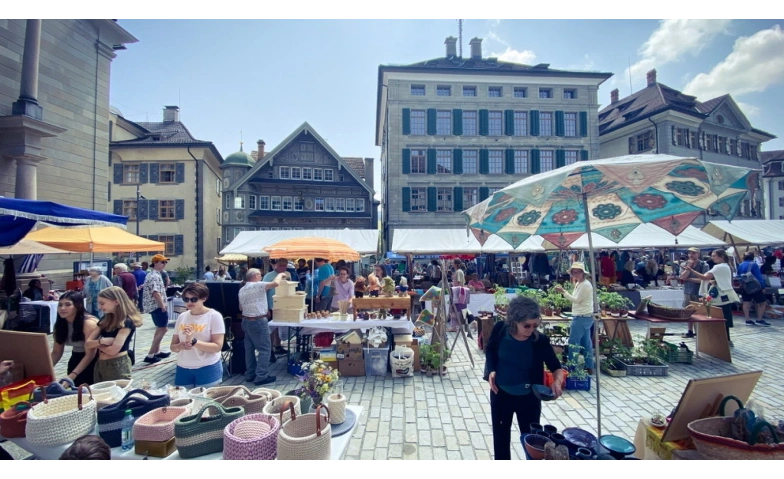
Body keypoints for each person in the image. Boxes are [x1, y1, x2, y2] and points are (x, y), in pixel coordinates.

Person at [484, 296, 564, 462]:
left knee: (532, 444)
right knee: (500, 439)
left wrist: (557, 382)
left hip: (529, 398)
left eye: (535, 326)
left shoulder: (539, 341)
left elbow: (556, 367)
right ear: (514, 321)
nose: (531, 330)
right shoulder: (500, 330)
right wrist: (491, 370)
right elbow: (490, 349)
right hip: (501, 394)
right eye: (526, 326)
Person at [170, 282, 225, 388]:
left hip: (207, 366)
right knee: (183, 397)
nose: (189, 302)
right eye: (186, 299)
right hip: (183, 367)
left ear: (204, 298)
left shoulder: (214, 316)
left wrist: (194, 342)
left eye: (194, 299)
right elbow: (173, 346)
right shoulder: (182, 316)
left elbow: (217, 347)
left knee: (206, 398)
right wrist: (180, 346)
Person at [239, 268, 287, 386]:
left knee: (249, 349)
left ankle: (250, 374)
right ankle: (261, 376)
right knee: (265, 349)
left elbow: (241, 307)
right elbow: (275, 283)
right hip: (258, 320)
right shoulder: (258, 285)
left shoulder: (242, 289)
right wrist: (281, 274)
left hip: (246, 320)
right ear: (255, 276)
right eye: (260, 275)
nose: (261, 277)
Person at [85, 286, 143, 382]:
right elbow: (87, 344)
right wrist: (102, 341)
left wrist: (97, 344)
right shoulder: (105, 319)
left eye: (102, 303)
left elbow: (113, 351)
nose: (99, 307)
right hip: (100, 363)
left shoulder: (127, 322)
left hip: (117, 364)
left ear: (116, 302)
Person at [684, 249, 739, 347]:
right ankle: (726, 339)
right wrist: (714, 281)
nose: (712, 258)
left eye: (714, 256)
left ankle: (723, 340)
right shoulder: (726, 266)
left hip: (720, 296)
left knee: (718, 317)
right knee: (723, 317)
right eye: (712, 256)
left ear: (721, 256)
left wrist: (691, 270)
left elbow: (704, 277)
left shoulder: (719, 266)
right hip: (724, 294)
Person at [553, 262, 595, 375]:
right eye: (573, 272)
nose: (575, 274)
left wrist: (563, 292)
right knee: (586, 343)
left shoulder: (585, 285)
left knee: (573, 343)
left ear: (583, 273)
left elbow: (576, 300)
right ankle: (589, 366)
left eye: (578, 272)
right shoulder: (579, 283)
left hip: (581, 317)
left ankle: (572, 368)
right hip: (583, 316)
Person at [51, 291, 99, 385]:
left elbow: (90, 354)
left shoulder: (88, 323)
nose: (62, 308)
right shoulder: (60, 324)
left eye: (68, 304)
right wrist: (44, 370)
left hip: (94, 361)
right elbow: (56, 352)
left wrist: (72, 376)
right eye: (60, 305)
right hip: (76, 357)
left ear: (78, 306)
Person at [141, 254, 172, 364]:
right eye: (162, 262)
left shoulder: (154, 274)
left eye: (165, 262)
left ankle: (156, 352)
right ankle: (150, 355)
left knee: (160, 328)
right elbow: (155, 292)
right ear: (155, 263)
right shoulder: (154, 275)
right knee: (163, 328)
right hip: (156, 305)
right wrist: (162, 305)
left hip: (153, 305)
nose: (164, 264)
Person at [263, 258, 291, 358]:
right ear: (276, 265)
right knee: (271, 329)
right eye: (280, 265)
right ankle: (270, 350)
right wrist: (266, 308)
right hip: (272, 305)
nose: (282, 267)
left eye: (284, 266)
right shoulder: (269, 276)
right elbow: (264, 292)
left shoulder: (288, 275)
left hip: (283, 305)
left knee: (279, 327)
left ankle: (277, 346)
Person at [680, 247, 708, 338]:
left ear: (698, 254)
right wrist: (689, 268)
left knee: (699, 312)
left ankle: (700, 331)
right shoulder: (684, 264)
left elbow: (703, 279)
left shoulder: (704, 265)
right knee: (688, 311)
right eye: (689, 253)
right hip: (687, 291)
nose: (691, 255)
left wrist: (688, 279)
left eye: (693, 253)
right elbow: (682, 277)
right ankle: (690, 331)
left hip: (699, 292)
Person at [737, 252, 771, 326]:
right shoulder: (754, 264)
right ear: (752, 257)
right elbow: (758, 276)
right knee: (762, 302)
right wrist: (763, 286)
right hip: (755, 286)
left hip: (744, 286)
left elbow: (739, 275)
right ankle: (759, 319)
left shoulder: (740, 265)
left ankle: (747, 320)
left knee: (746, 302)